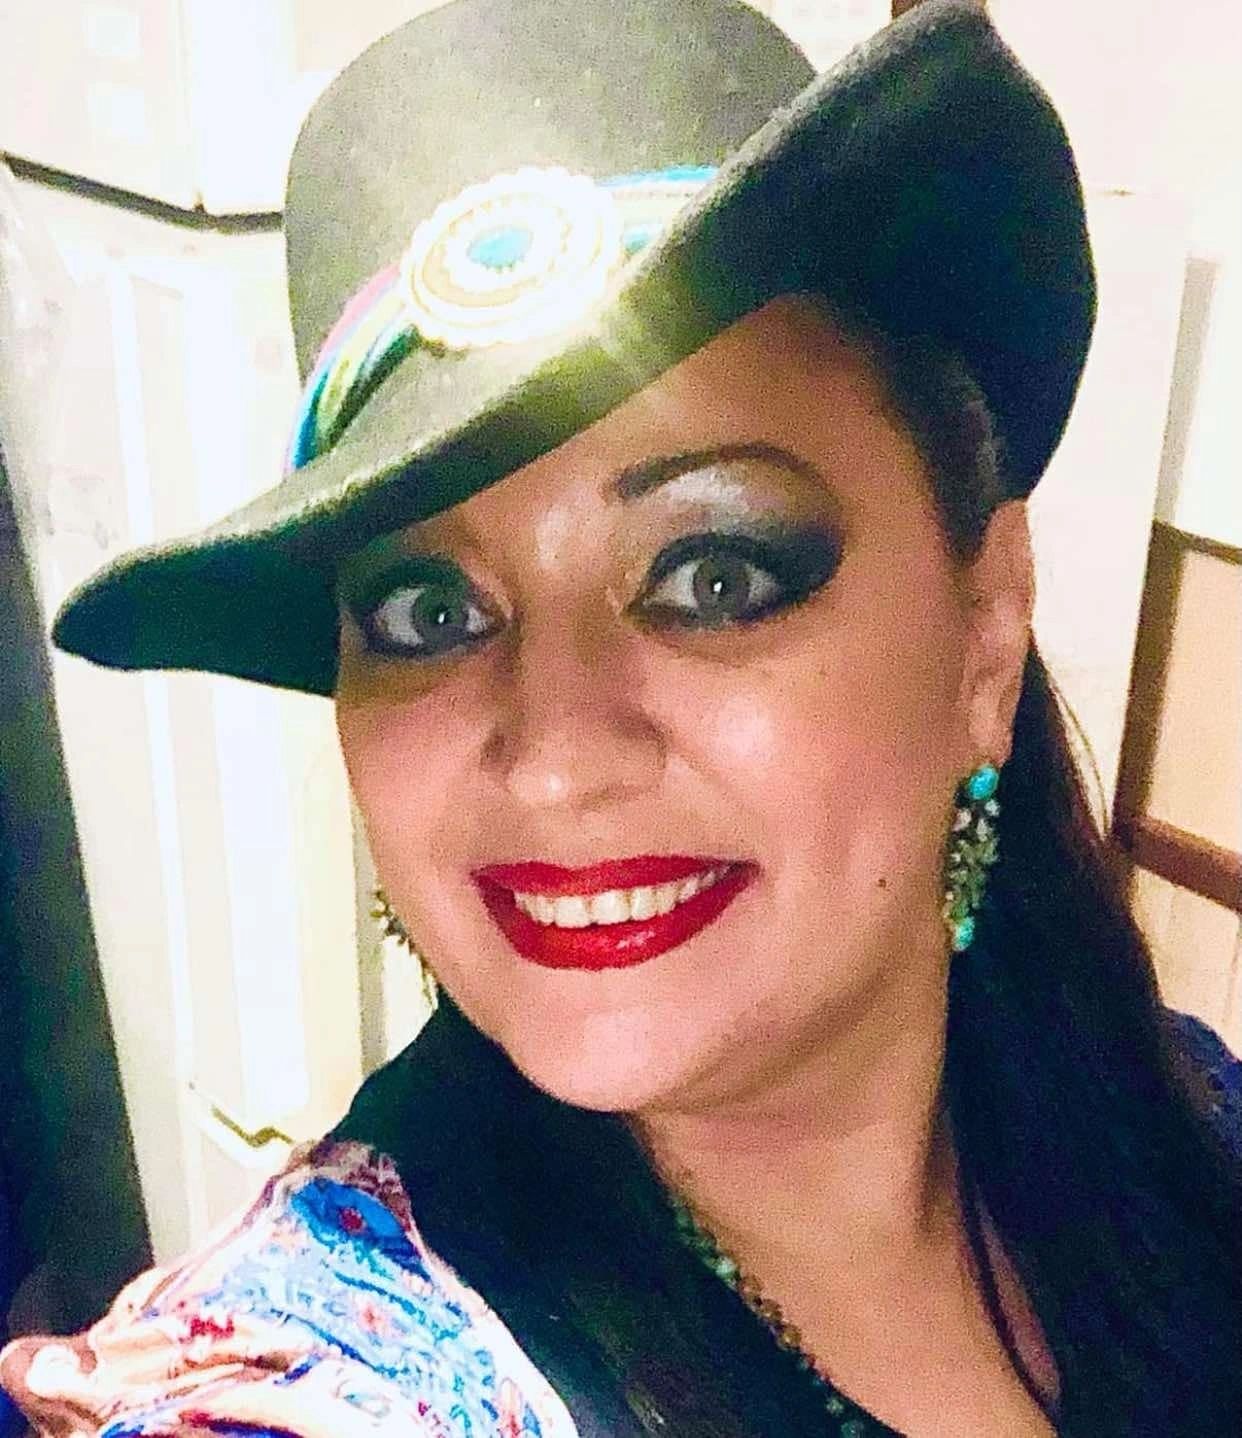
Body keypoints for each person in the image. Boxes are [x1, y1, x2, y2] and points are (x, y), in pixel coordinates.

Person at [2, 0, 1239, 1433]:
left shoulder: (1173, 1119)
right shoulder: (325, 1382)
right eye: (428, 611)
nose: (553, 756)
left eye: (714, 575)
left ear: (984, 632)